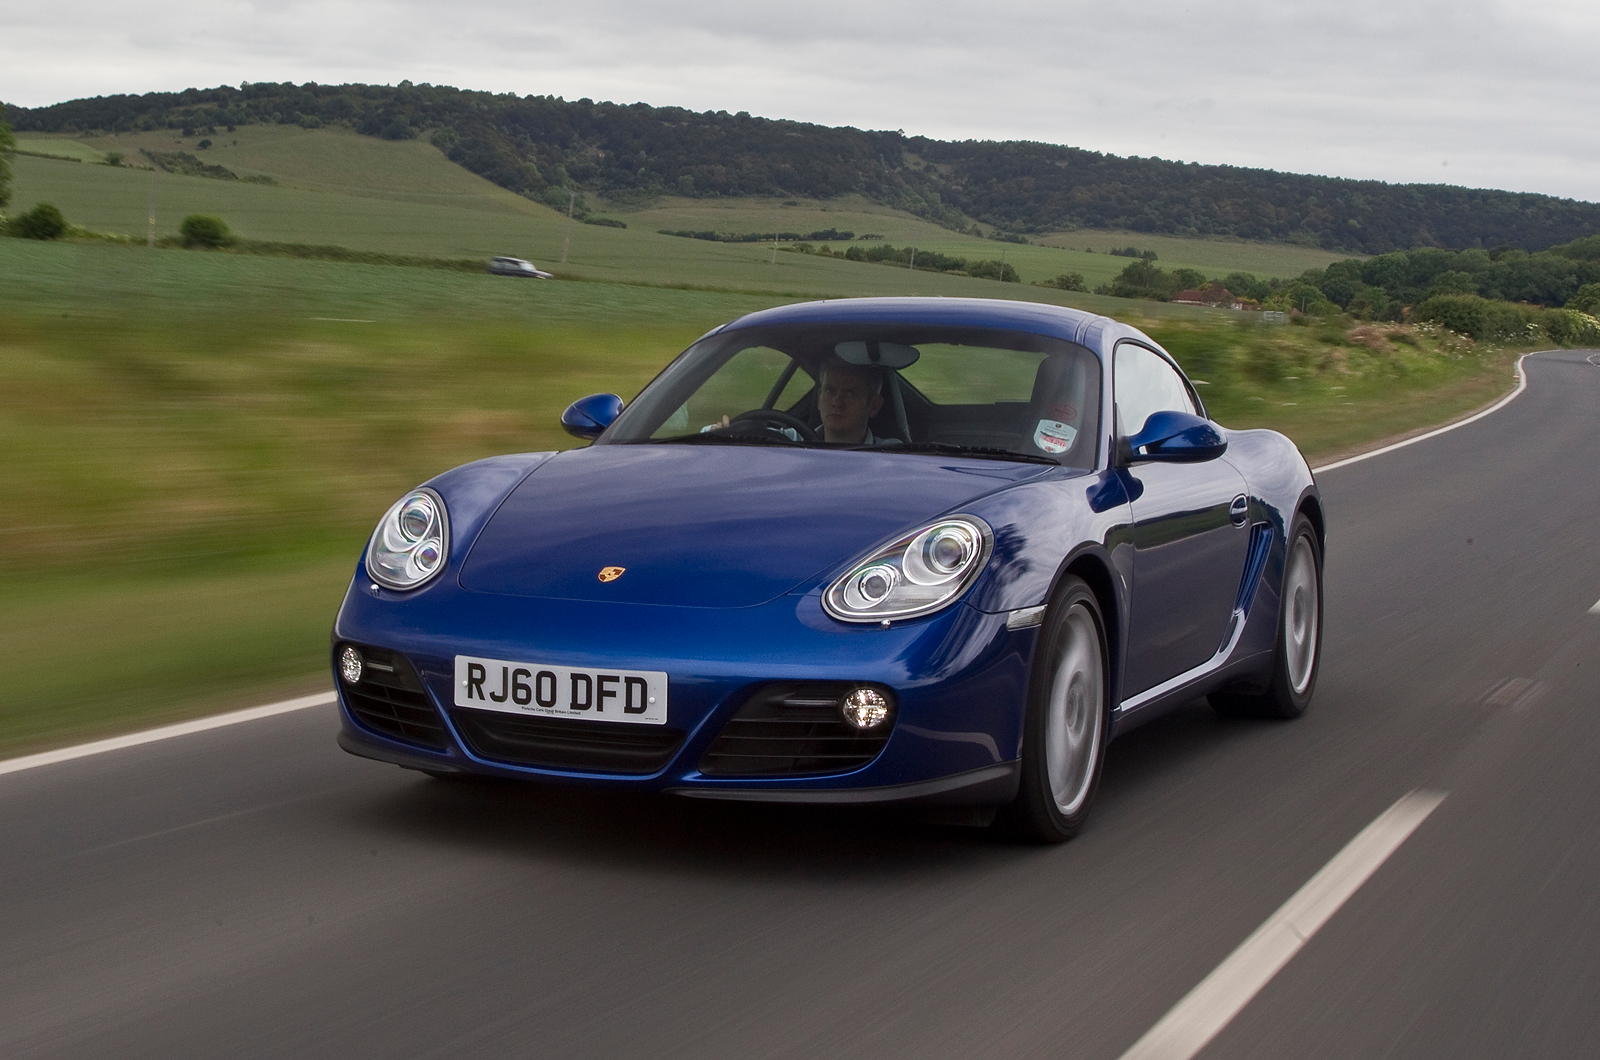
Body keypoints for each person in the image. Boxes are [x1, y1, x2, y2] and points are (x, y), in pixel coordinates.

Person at [817, 358, 886, 444]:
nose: (836, 403)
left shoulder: (893, 453)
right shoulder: (796, 443)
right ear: (819, 398)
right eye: (829, 391)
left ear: (873, 406)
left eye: (850, 394)